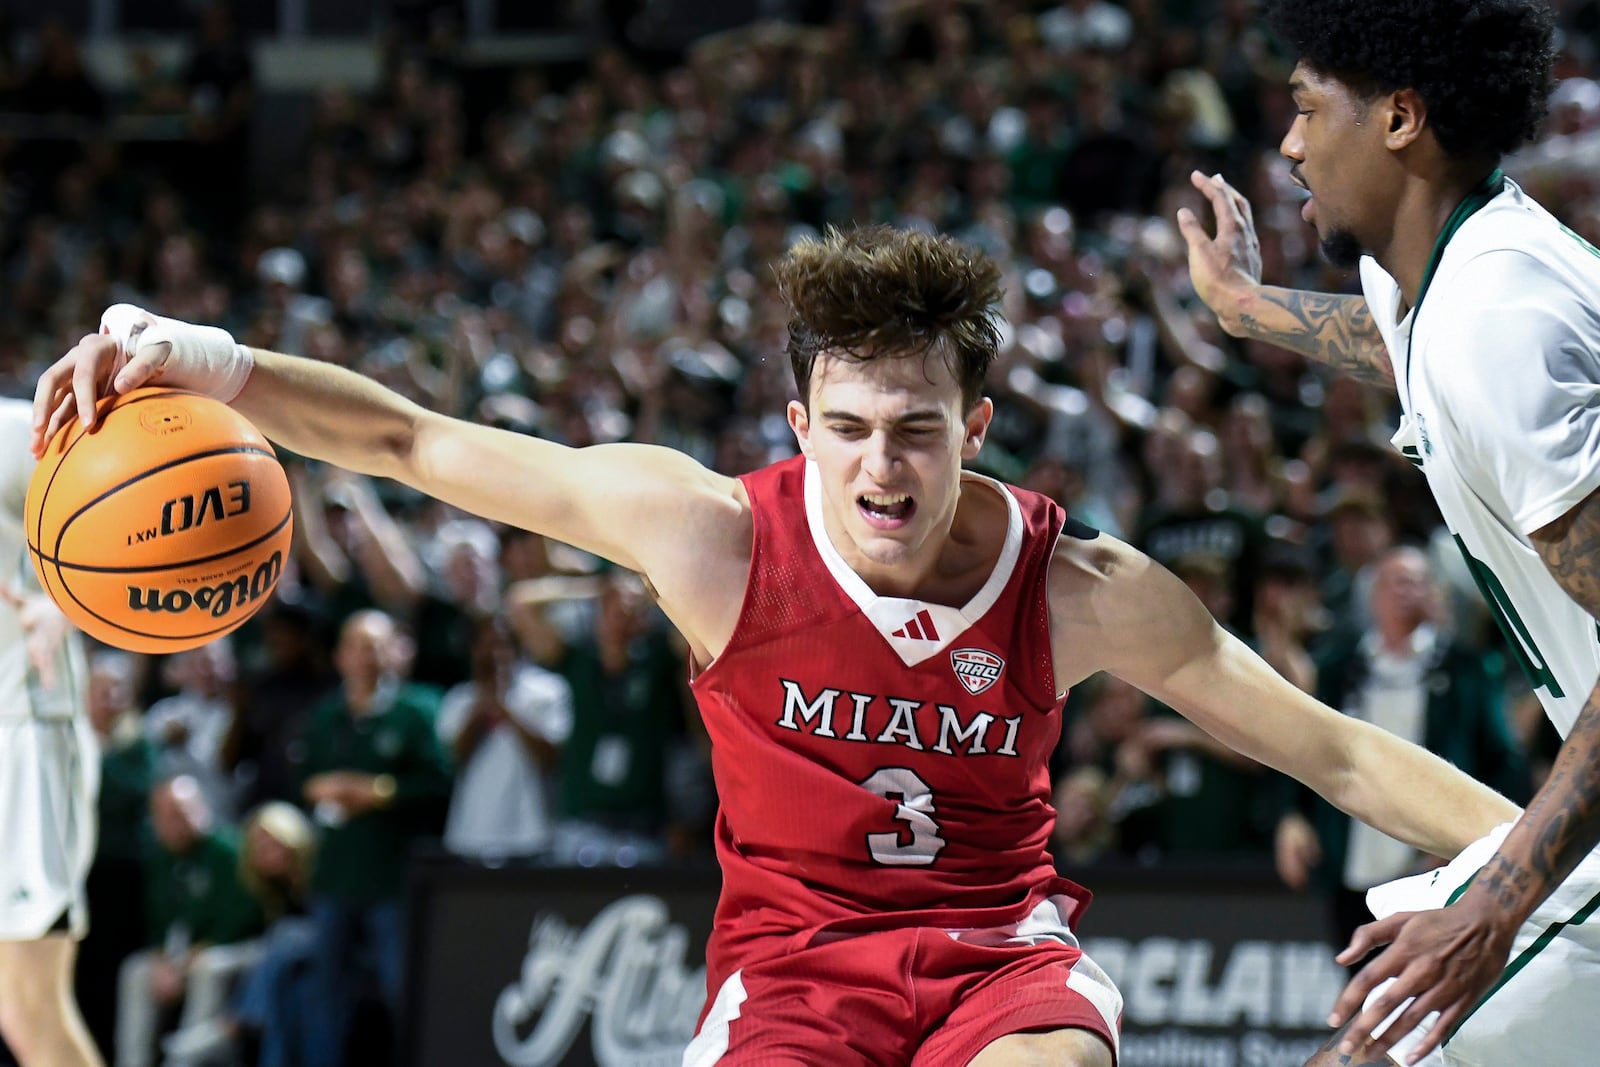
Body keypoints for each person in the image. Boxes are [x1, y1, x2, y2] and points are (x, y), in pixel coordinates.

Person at [33, 227, 1524, 1067]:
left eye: (919, 432)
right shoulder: (711, 536)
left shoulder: (1078, 584)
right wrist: (208, 357)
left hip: (998, 965)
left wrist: (1547, 856)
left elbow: (1329, 745)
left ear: (977, 430)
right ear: (800, 429)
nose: (884, 471)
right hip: (794, 972)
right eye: (852, 431)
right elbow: (414, 438)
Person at [1176, 1, 1600, 1061]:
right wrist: (1239, 304)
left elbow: (1463, 358)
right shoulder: (1448, 260)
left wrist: (1497, 903)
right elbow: (1398, 335)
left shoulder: (1499, 333)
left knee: (1377, 1042)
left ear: (1400, 118)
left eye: (1309, 109)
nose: (1288, 143)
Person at [0, 396, 103, 1067]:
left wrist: (66, 602)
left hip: (27, 733)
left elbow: (132, 514)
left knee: (29, 1005)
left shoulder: (20, 434)